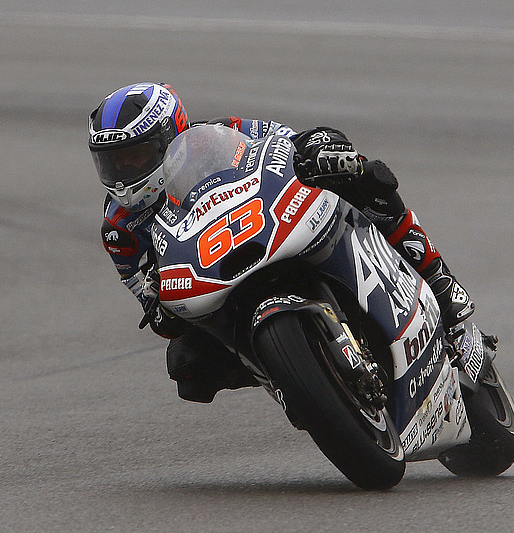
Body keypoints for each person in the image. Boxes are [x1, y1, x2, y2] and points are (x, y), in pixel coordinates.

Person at [89, 82, 482, 403]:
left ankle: (439, 281)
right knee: (186, 363)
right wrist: (158, 301)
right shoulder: (119, 230)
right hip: (214, 284)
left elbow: (288, 141)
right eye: (112, 162)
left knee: (363, 176)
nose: (123, 172)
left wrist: (322, 150)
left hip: (271, 227)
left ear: (170, 136)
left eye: (135, 156)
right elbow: (155, 311)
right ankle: (297, 383)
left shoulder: (221, 134)